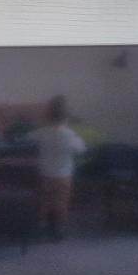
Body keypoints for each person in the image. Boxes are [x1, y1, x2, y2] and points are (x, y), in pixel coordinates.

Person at [31, 95, 87, 240]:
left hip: (45, 173)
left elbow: (27, 138)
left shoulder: (41, 132)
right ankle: (59, 230)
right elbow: (81, 149)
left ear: (47, 116)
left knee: (45, 201)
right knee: (61, 202)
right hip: (63, 175)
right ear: (66, 118)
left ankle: (42, 226)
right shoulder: (69, 134)